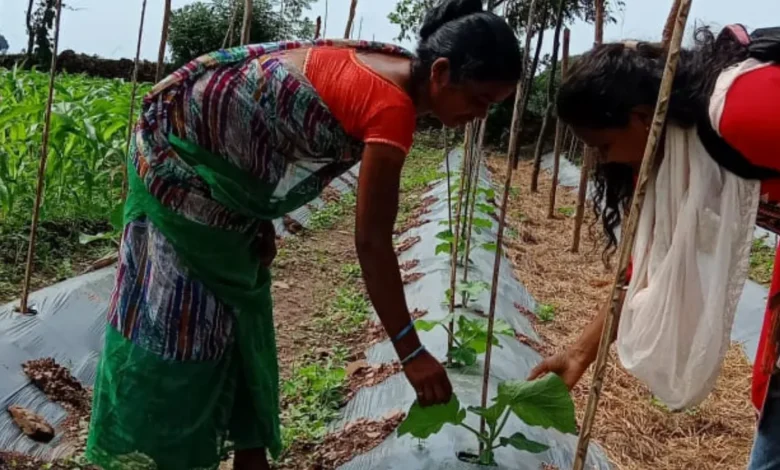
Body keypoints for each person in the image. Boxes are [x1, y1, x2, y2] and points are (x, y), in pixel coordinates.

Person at [84, 0, 521, 469]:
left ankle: (250, 457)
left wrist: (257, 218)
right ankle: (156, 454)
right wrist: (411, 351)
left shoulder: (393, 65)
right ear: (440, 72)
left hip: (216, 180)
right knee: (181, 330)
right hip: (177, 169)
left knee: (239, 315)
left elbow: (265, 132)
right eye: (480, 100)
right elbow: (372, 241)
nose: (481, 115)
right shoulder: (391, 107)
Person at [528, 27, 780, 469]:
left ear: (643, 117)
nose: (606, 161)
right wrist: (579, 353)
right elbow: (644, 264)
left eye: (603, 146)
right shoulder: (687, 148)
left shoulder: (743, 111)